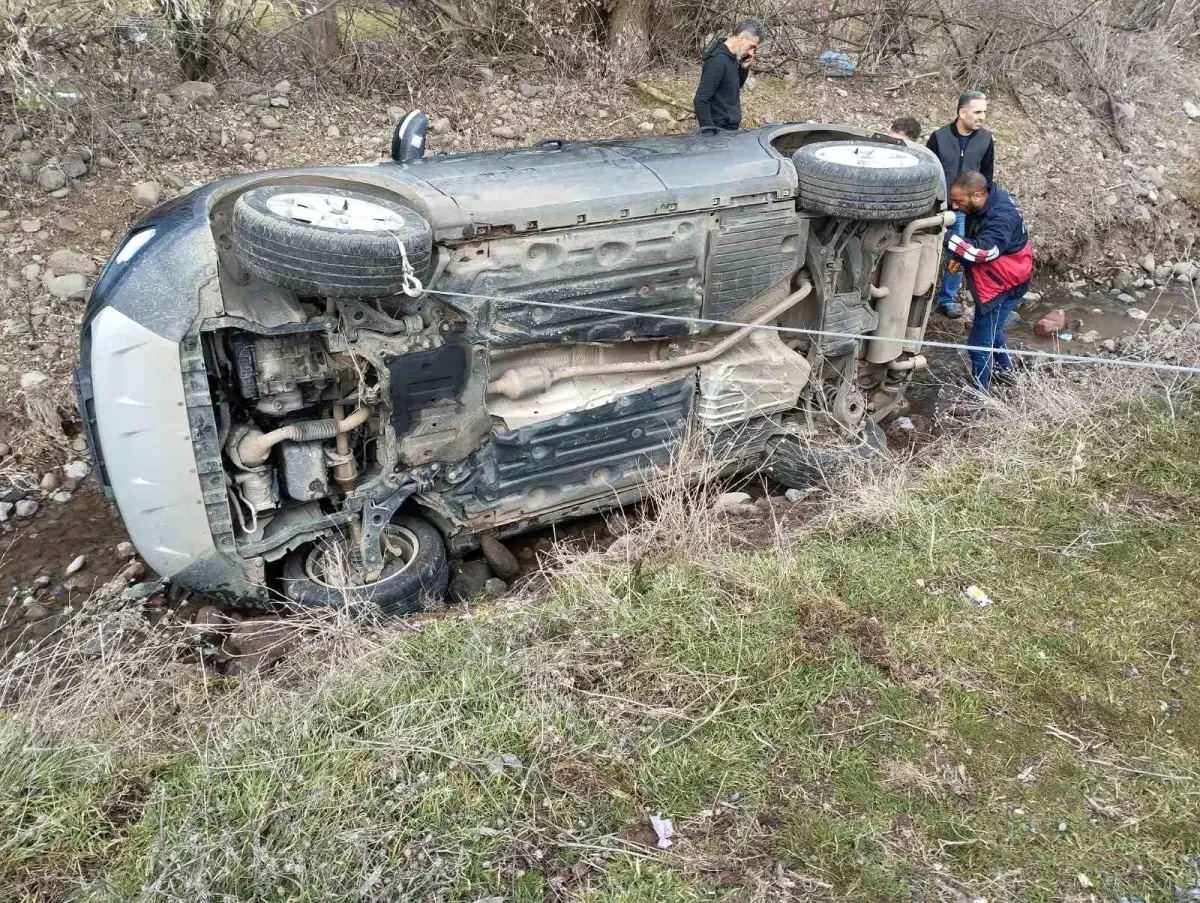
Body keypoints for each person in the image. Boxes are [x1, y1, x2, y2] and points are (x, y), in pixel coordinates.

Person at [945, 171, 1033, 389]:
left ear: (976, 195)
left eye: (959, 201)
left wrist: (943, 235)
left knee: (978, 343)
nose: (955, 207)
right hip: (1013, 276)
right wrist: (961, 260)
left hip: (1003, 285)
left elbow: (981, 252)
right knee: (992, 331)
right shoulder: (991, 199)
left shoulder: (1001, 218)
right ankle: (1006, 373)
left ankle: (979, 395)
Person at [926, 91, 994, 319]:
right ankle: (920, 295)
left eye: (984, 111)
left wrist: (981, 209)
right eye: (977, 112)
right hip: (935, 208)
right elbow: (929, 172)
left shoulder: (985, 140)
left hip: (964, 212)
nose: (982, 116)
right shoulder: (939, 137)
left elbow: (987, 178)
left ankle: (947, 299)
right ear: (962, 112)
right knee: (926, 252)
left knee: (958, 255)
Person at [693, 19, 762, 132]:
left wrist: (743, 69)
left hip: (729, 127)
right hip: (719, 130)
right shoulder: (717, 61)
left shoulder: (733, 56)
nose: (751, 52)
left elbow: (732, 87)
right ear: (741, 38)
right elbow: (701, 100)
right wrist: (709, 133)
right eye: (751, 47)